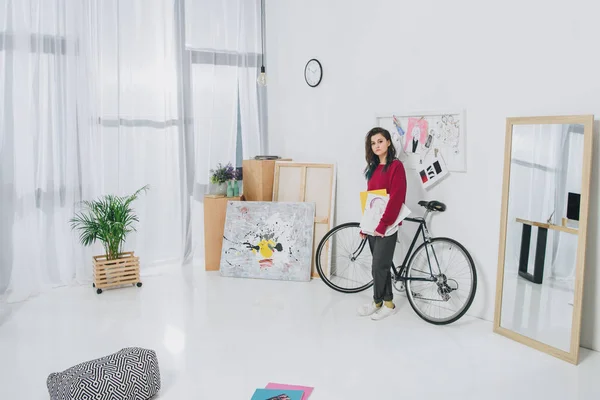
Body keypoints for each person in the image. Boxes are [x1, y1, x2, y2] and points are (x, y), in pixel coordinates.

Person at [358, 127, 407, 321]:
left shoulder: (396, 167)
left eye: (380, 141)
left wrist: (383, 225)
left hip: (388, 224)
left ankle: (382, 302)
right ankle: (384, 303)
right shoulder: (372, 169)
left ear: (388, 142)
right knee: (381, 265)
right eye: (373, 143)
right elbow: (370, 200)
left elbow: (397, 198)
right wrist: (365, 225)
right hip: (373, 224)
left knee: (379, 265)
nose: (376, 145)